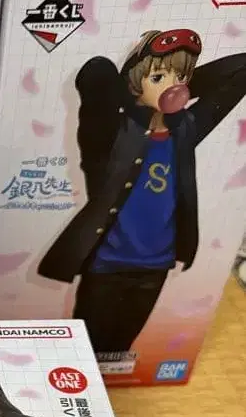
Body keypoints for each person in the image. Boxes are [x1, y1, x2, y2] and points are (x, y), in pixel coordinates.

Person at [38, 29, 246, 359]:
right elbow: (96, 73)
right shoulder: (110, 136)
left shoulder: (184, 129)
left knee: (118, 352)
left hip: (154, 269)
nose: (173, 86)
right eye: (159, 77)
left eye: (182, 77)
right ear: (134, 84)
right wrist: (137, 92)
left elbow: (239, 72)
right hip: (106, 268)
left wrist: (178, 83)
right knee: (85, 352)